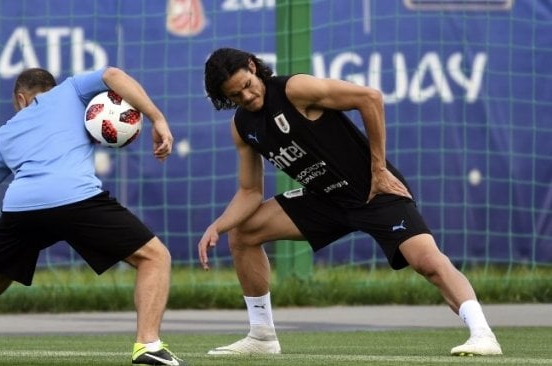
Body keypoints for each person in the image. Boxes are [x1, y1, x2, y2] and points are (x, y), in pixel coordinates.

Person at [197, 47, 502, 357]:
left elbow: (370, 98)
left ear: (253, 67)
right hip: (325, 198)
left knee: (427, 262)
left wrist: (379, 169)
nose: (246, 97)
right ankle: (262, 336)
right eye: (235, 95)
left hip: (373, 191)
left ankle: (482, 334)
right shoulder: (242, 127)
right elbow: (250, 191)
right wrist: (219, 225)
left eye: (247, 85)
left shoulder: (294, 90)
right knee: (243, 232)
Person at [0, 67, 187, 366]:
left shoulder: (6, 133)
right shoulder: (72, 90)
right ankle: (148, 345)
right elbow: (113, 74)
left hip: (22, 209)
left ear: (21, 99)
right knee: (154, 257)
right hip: (75, 196)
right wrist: (157, 118)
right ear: (51, 88)